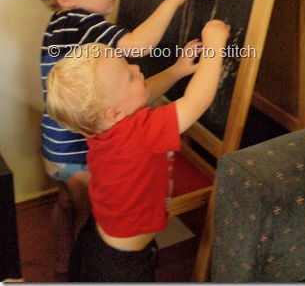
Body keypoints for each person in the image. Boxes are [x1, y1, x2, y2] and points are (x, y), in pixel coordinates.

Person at [30, 0, 198, 273]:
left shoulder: (59, 26)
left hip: (55, 149)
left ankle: (64, 261)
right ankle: (83, 268)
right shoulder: (84, 21)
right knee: (92, 221)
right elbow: (137, 46)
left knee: (66, 203)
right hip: (77, 153)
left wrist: (177, 69)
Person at [46, 19, 230, 282]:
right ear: (115, 112)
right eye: (130, 75)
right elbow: (196, 101)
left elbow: (141, 94)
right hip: (123, 265)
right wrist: (215, 44)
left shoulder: (102, 125)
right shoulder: (139, 133)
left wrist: (177, 70)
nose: (136, 67)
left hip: (97, 240)